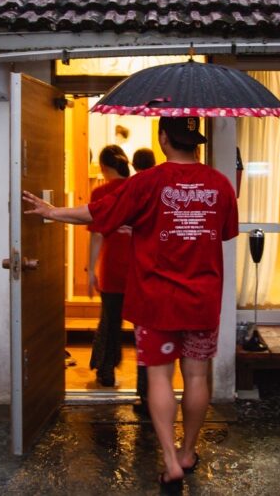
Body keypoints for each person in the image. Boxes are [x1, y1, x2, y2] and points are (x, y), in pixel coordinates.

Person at [23, 116, 238, 491]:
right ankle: (188, 452)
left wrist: (51, 212)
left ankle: (170, 461)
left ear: (164, 138)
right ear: (197, 143)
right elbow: (225, 232)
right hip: (202, 300)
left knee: (159, 377)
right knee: (197, 377)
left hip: (156, 301)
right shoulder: (220, 184)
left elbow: (98, 214)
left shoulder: (146, 182)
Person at [87, 145, 132, 387]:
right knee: (144, 326)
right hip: (140, 267)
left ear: (104, 167)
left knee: (110, 320)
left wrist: (90, 269)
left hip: (113, 266)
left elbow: (96, 235)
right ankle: (147, 383)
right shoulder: (140, 188)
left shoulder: (101, 193)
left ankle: (106, 370)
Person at [129, 146, 157, 412]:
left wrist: (53, 213)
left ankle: (145, 395)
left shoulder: (136, 186)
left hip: (140, 274)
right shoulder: (166, 185)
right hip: (169, 281)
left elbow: (101, 214)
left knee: (146, 342)